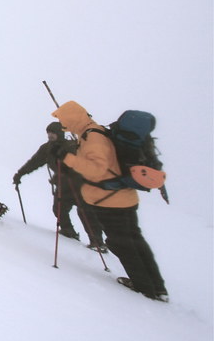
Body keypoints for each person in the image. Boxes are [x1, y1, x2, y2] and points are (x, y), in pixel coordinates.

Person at [51, 100, 168, 302]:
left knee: (121, 243)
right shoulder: (95, 132)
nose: (62, 125)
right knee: (135, 241)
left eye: (63, 120)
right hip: (122, 198)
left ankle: (144, 288)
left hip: (109, 201)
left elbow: (97, 170)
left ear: (72, 118)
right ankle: (157, 287)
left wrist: (67, 157)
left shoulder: (92, 138)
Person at [12, 122, 107, 252]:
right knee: (58, 209)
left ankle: (97, 243)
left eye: (53, 133)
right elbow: (34, 163)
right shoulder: (47, 148)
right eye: (49, 133)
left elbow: (81, 165)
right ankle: (68, 231)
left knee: (85, 213)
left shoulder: (71, 146)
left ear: (60, 133)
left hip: (80, 185)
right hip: (63, 185)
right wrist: (20, 174)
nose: (50, 135)